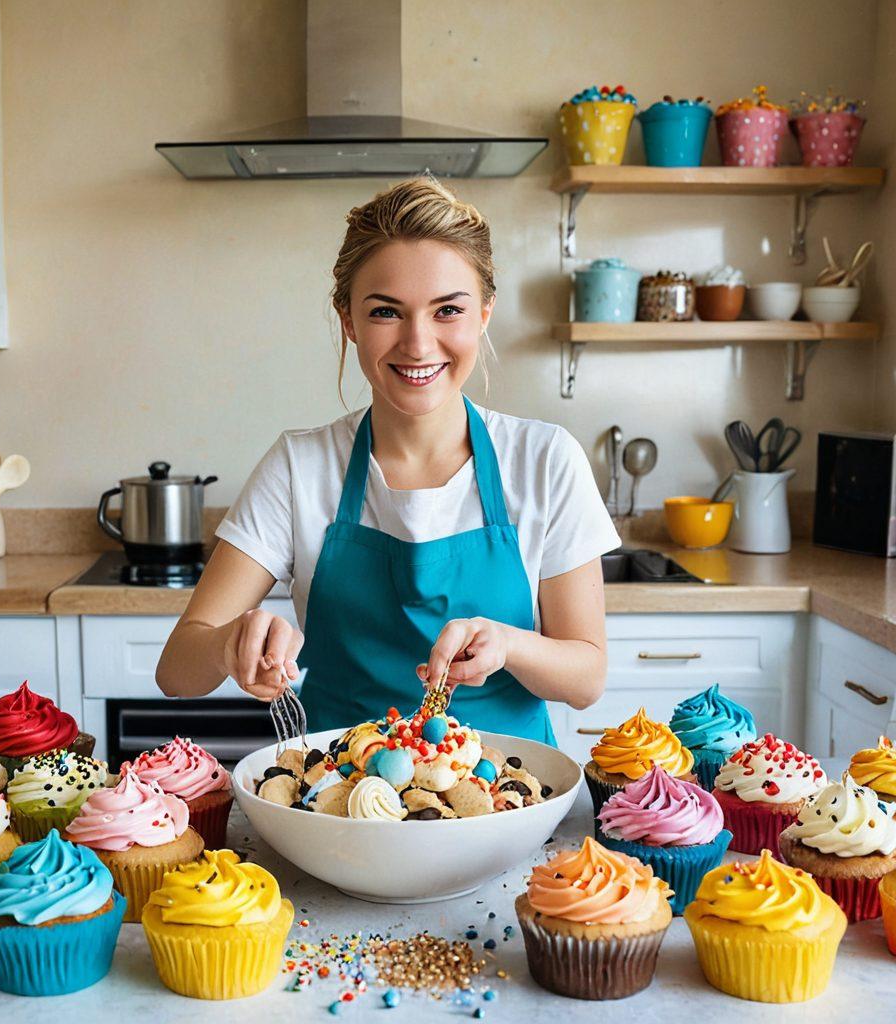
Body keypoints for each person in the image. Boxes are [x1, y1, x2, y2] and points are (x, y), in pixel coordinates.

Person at [156, 177, 620, 744]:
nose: (419, 344)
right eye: (385, 312)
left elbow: (586, 678)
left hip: (511, 804)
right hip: (334, 808)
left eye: (448, 309)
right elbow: (177, 669)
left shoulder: (545, 460)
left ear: (485, 314)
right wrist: (231, 642)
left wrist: (511, 643)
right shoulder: (301, 468)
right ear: (349, 321)